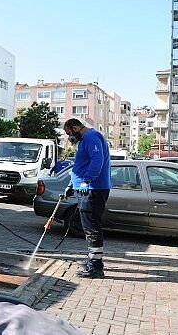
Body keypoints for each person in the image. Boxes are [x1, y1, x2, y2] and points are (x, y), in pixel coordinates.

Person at [62, 118, 111, 279]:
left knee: (92, 227)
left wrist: (86, 181)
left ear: (76, 127)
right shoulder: (85, 140)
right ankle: (93, 260)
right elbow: (80, 165)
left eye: (69, 133)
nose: (69, 137)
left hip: (93, 189)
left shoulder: (91, 137)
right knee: (89, 226)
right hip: (86, 188)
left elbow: (98, 160)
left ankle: (96, 267)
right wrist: (71, 184)